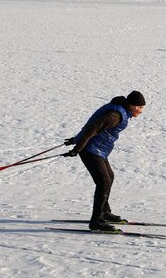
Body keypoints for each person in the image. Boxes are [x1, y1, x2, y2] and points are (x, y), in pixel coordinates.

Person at [63, 90, 146, 231]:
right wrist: (77, 147)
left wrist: (76, 140)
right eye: (140, 107)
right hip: (91, 150)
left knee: (109, 177)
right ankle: (96, 221)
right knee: (103, 181)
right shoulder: (115, 115)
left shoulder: (121, 112)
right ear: (132, 105)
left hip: (98, 150)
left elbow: (94, 126)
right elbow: (92, 128)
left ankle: (104, 212)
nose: (141, 111)